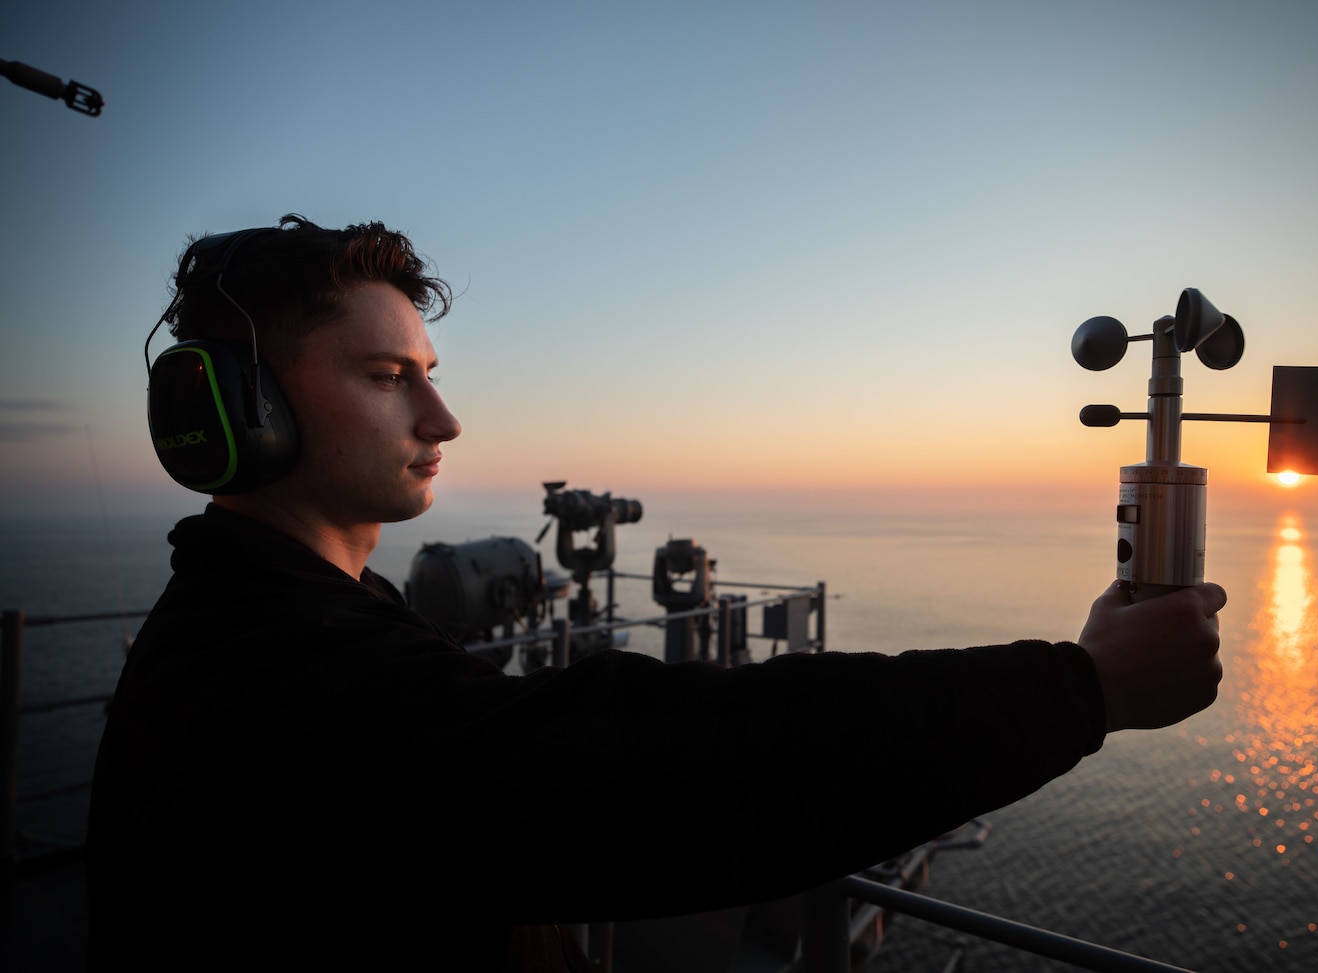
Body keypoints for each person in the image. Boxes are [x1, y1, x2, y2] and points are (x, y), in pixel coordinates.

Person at [87, 215, 1225, 972]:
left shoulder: (264, 624)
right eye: (388, 380)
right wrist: (1084, 688)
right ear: (248, 409)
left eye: (430, 379)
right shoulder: (281, 675)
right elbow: (698, 761)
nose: (441, 421)